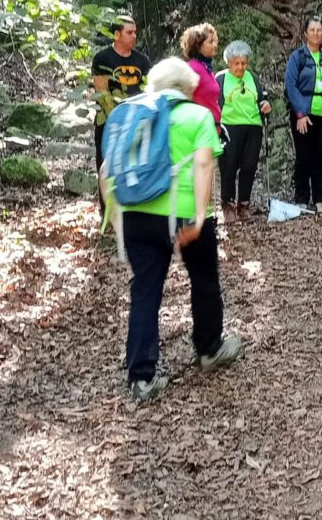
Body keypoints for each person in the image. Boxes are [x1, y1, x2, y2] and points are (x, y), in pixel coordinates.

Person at [102, 57, 242, 402]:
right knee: (205, 279)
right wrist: (198, 216)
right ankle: (209, 348)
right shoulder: (197, 116)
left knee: (145, 291)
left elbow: (106, 170)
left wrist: (118, 218)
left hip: (136, 212)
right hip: (181, 213)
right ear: (188, 88)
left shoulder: (132, 115)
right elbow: (205, 162)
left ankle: (141, 378)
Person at [284, 16, 322, 214]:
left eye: (319, 30)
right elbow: (291, 86)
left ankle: (320, 197)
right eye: (312, 30)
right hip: (304, 114)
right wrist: (300, 113)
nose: (316, 34)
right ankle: (301, 198)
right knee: (303, 157)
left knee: (320, 156)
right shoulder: (298, 57)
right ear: (305, 33)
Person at [92, 15, 150, 215]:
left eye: (135, 32)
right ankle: (107, 212)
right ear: (116, 34)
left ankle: (134, 210)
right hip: (109, 122)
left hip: (137, 122)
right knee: (106, 165)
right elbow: (102, 93)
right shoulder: (102, 59)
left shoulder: (142, 61)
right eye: (129, 32)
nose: (135, 36)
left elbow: (147, 91)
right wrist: (118, 119)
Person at [215, 40, 271, 223]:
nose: (240, 67)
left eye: (244, 63)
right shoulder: (221, 79)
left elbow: (261, 99)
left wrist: (265, 105)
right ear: (229, 62)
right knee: (228, 166)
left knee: (249, 166)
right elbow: (215, 105)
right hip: (228, 126)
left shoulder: (253, 78)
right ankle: (228, 205)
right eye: (236, 63)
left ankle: (244, 205)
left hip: (253, 127)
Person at [180, 23, 222, 127]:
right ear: (198, 46)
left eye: (215, 41)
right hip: (200, 128)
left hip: (212, 127)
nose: (215, 45)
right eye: (210, 42)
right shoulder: (192, 69)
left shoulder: (206, 68)